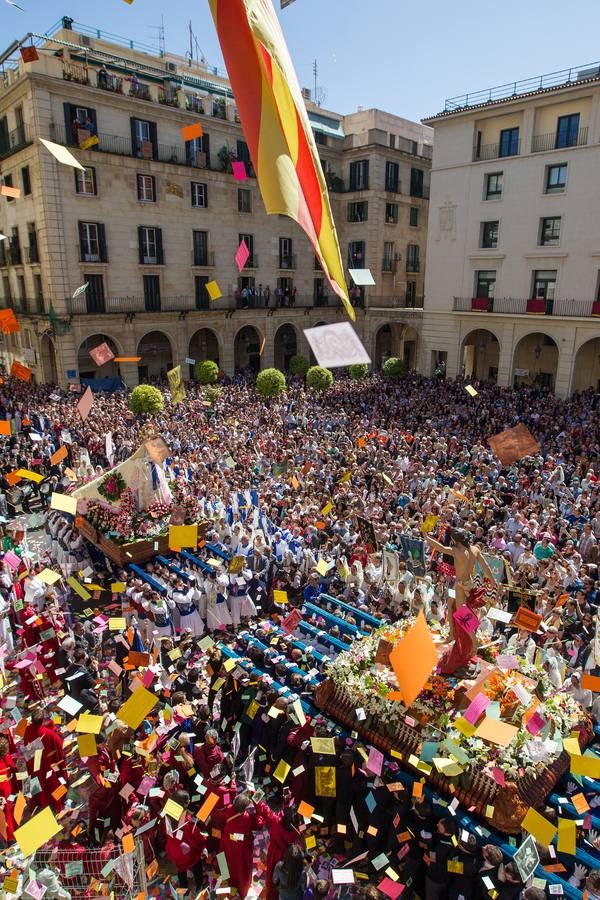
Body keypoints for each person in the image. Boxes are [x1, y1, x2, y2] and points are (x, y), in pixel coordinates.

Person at [164, 789, 207, 891]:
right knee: (196, 863)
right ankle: (199, 885)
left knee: (180, 869)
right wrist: (203, 841)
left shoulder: (168, 811)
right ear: (184, 804)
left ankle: (183, 889)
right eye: (188, 801)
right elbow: (197, 840)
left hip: (173, 848)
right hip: (186, 852)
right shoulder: (187, 822)